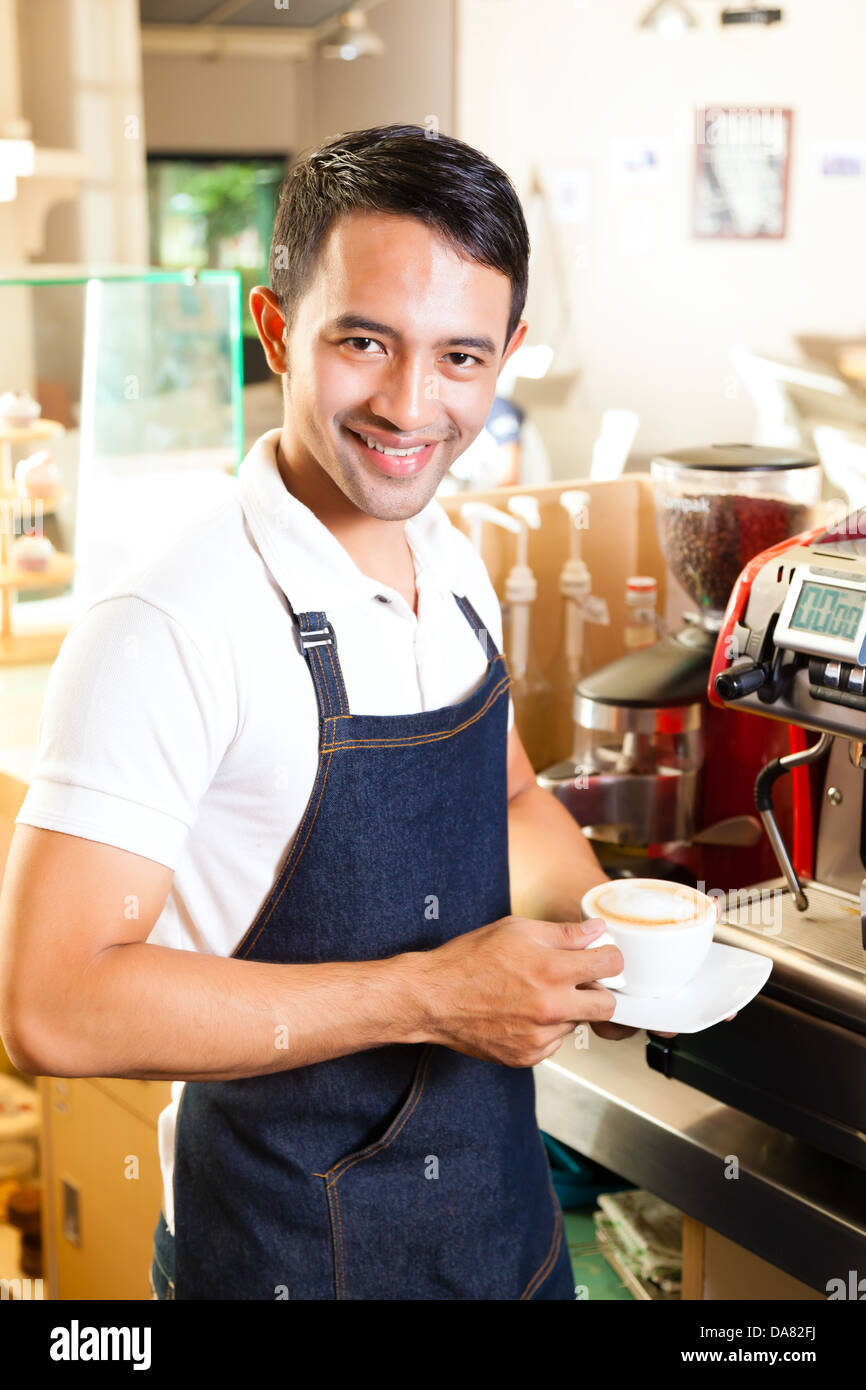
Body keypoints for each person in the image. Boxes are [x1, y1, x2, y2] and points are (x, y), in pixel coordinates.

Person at [0, 124, 651, 1301]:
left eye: (459, 357)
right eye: (365, 341)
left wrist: (620, 945)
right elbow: (53, 1005)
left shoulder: (445, 554)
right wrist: (433, 994)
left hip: (505, 1252)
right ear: (277, 329)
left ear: (504, 356)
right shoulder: (166, 619)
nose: (410, 405)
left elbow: (503, 796)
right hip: (284, 1262)